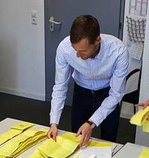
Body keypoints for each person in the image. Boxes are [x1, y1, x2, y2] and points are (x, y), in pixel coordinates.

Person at [47, 15, 129, 146]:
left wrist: (91, 123)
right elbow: (60, 86)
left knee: (108, 140)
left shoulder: (118, 51)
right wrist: (53, 122)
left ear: (97, 40)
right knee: (77, 138)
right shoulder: (64, 48)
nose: (78, 56)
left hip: (107, 93)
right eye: (75, 50)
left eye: (83, 51)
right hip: (82, 92)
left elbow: (116, 94)